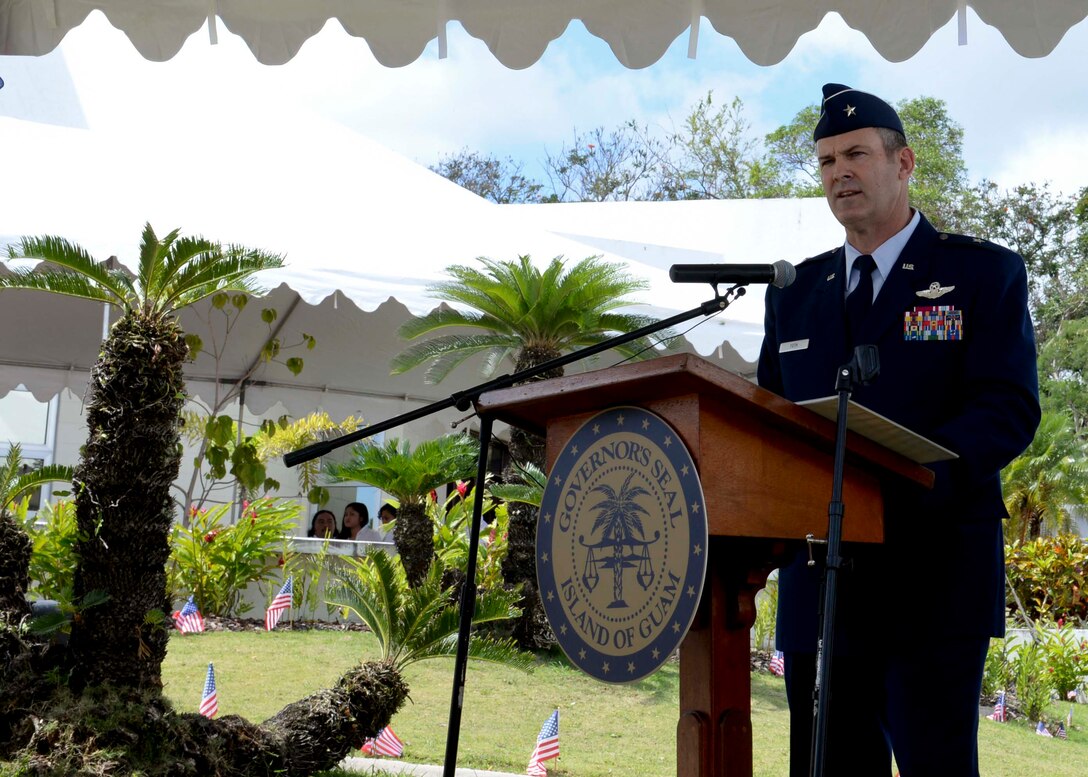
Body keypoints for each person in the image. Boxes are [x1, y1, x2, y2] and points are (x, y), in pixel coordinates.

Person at [757, 83, 1040, 777]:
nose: (838, 173)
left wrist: (914, 476)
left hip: (933, 578)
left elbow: (1007, 405)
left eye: (855, 153)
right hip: (821, 584)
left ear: (905, 162)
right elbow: (765, 416)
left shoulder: (979, 274)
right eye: (825, 161)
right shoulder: (795, 292)